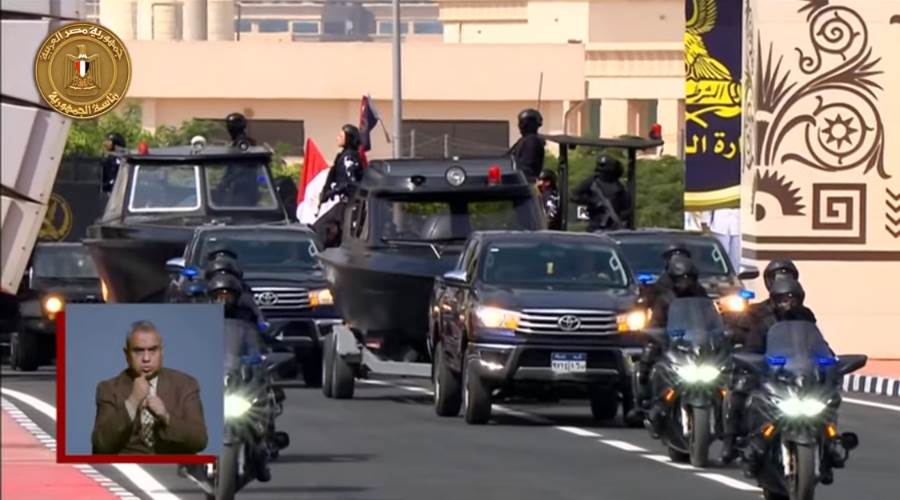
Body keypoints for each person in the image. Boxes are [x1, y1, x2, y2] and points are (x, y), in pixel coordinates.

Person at [721, 269, 818, 463]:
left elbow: (815, 339)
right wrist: (752, 359)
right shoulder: (760, 316)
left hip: (796, 369)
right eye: (783, 299)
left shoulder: (805, 316)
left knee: (826, 395)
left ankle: (828, 439)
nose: (788, 303)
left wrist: (830, 359)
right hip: (768, 370)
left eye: (792, 299)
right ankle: (731, 441)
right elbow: (752, 345)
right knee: (739, 389)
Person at [91, 321, 208, 454]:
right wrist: (132, 402)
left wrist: (166, 417)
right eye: (138, 351)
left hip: (173, 465)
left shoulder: (185, 384)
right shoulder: (108, 389)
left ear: (162, 351)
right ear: (126, 354)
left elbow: (200, 440)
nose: (146, 358)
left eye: (152, 350)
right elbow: (101, 444)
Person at [628, 256, 709, 426]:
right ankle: (644, 399)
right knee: (649, 351)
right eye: (681, 278)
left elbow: (710, 317)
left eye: (688, 278)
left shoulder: (701, 295)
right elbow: (656, 322)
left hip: (695, 342)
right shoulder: (665, 298)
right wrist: (656, 333)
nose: (685, 283)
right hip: (670, 341)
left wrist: (718, 331)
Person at [314, 124, 364, 247]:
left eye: (341, 136)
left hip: (350, 205)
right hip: (346, 204)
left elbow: (350, 182)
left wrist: (332, 192)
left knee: (319, 229)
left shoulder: (349, 157)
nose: (337, 138)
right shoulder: (345, 155)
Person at [571, 154, 632, 231]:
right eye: (601, 171)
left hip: (613, 227)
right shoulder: (591, 182)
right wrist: (592, 201)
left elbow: (626, 207)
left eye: (605, 172)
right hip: (595, 224)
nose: (602, 174)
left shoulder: (618, 186)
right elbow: (574, 196)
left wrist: (621, 217)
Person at [509, 108, 545, 183]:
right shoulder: (524, 140)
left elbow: (527, 167)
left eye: (522, 123)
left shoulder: (531, 140)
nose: (520, 126)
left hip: (524, 182)